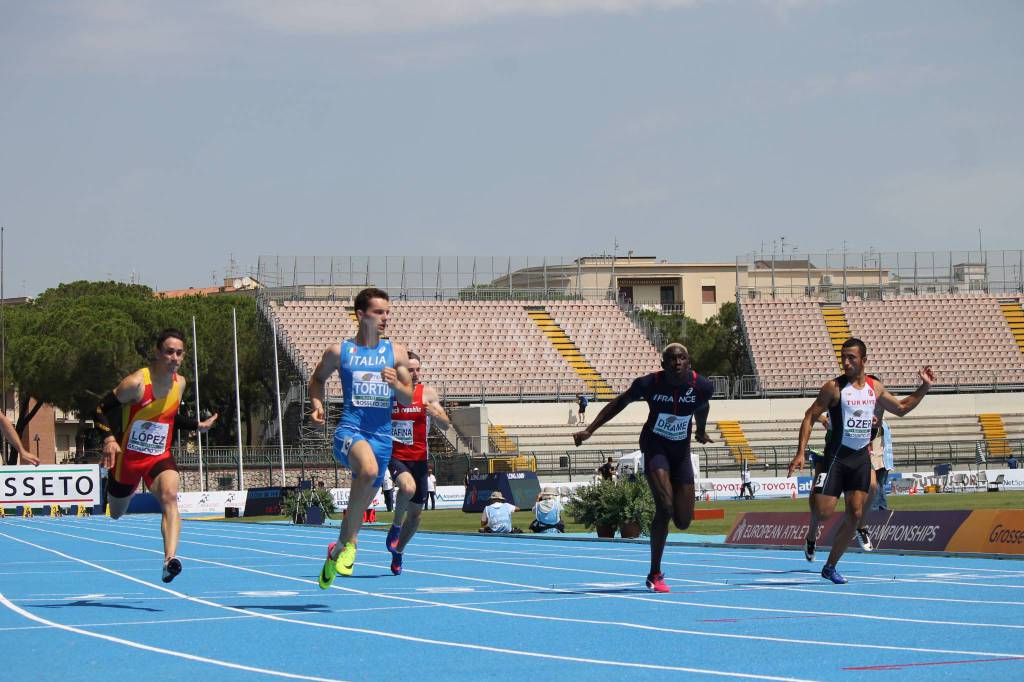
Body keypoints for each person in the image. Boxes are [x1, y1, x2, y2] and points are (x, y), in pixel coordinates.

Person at [787, 338, 933, 584]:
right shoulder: (833, 388)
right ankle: (814, 525)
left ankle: (830, 566)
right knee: (823, 512)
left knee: (855, 513)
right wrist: (800, 452)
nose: (845, 362)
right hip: (835, 459)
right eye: (843, 357)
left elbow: (901, 408)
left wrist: (924, 387)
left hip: (860, 459)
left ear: (864, 360)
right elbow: (809, 417)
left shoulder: (874, 387)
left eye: (851, 358)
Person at [574, 343, 715, 593]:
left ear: (689, 362)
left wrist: (701, 431)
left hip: (680, 452)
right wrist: (590, 429)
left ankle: (658, 562)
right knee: (665, 506)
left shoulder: (702, 386)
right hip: (655, 445)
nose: (677, 362)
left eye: (682, 358)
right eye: (671, 359)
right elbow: (619, 403)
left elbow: (702, 407)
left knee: (683, 521)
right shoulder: (649, 383)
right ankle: (655, 573)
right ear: (663, 364)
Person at [94, 329, 218, 583]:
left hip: (158, 456)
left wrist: (197, 425)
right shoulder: (137, 384)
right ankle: (113, 484)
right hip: (127, 459)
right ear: (158, 353)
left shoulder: (180, 383)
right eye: (169, 352)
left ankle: (169, 560)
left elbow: (169, 415)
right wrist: (108, 439)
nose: (174, 357)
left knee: (170, 496)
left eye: (179, 353)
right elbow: (99, 409)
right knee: (116, 512)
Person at [310, 287, 413, 589]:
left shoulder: (397, 353)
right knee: (367, 471)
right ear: (361, 315)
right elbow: (316, 380)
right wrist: (317, 405)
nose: (386, 318)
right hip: (350, 432)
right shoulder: (339, 352)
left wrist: (396, 384)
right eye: (379, 312)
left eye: (388, 312)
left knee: (359, 507)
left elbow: (407, 398)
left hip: (383, 439)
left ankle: (339, 549)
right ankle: (348, 543)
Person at [385, 350, 450, 575]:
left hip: (420, 459)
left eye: (417, 370)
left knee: (415, 517)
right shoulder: (388, 392)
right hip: (395, 455)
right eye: (409, 370)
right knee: (407, 487)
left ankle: (399, 551)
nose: (414, 374)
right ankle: (394, 527)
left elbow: (446, 425)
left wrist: (436, 413)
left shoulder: (427, 393)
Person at [870, 418, 894, 511]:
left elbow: (871, 440)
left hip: (876, 457)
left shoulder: (875, 424)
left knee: (874, 485)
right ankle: (882, 507)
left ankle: (875, 507)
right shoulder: (884, 423)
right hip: (885, 458)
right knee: (880, 484)